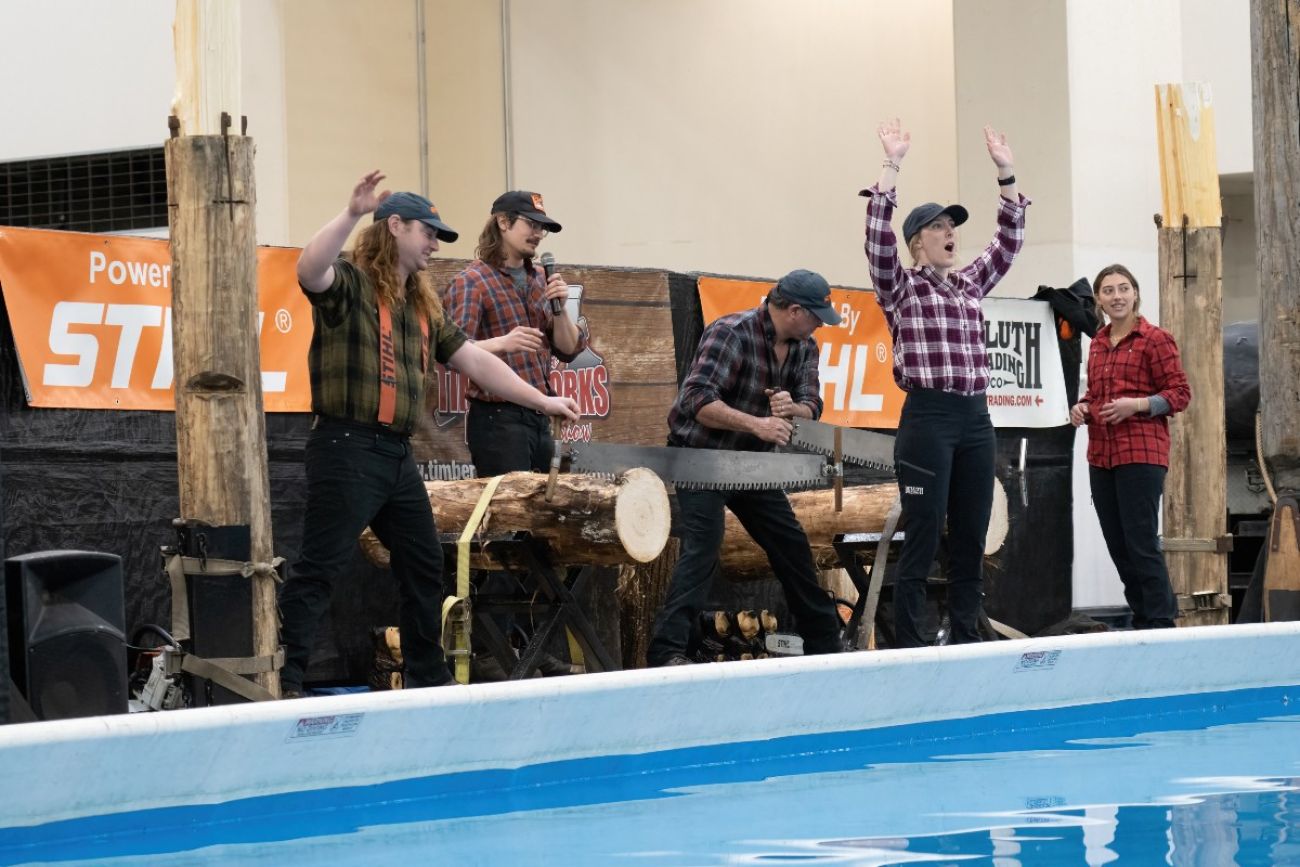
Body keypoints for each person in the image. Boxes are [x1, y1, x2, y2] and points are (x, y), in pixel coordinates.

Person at [278, 172, 578, 696]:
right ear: (394, 226)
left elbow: (475, 363)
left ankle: (428, 678)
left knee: (423, 563)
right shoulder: (350, 282)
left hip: (394, 454)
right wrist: (350, 213)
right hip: (345, 446)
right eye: (428, 233)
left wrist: (544, 399)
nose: (435, 244)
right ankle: (285, 679)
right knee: (320, 567)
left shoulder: (422, 302)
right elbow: (309, 268)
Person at [861, 119, 1029, 648]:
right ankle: (908, 645)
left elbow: (1008, 240)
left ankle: (964, 637)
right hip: (928, 418)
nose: (950, 232)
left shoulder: (969, 281)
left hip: (975, 417)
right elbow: (875, 241)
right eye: (938, 227)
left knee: (972, 535)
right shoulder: (901, 286)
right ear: (917, 242)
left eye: (952, 226)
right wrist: (892, 165)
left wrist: (1005, 172)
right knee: (924, 533)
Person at [645, 270, 846, 667]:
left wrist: (795, 410)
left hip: (751, 466)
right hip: (700, 457)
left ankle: (827, 646)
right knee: (704, 546)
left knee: (790, 544)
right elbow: (697, 401)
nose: (820, 324)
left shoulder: (806, 346)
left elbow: (812, 405)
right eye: (816, 316)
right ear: (792, 310)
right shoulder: (731, 333)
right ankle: (666, 652)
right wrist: (757, 424)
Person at [1070, 264, 1190, 629]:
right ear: (1099, 301)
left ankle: (1160, 622)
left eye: (1124, 288)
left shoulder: (1155, 339)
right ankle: (1143, 617)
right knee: (1119, 546)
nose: (1117, 296)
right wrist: (1083, 408)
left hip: (1141, 452)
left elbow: (1180, 394)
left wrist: (1136, 405)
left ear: (1136, 293)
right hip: (1102, 456)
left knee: (1140, 543)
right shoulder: (1099, 343)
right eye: (1109, 290)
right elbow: (1097, 396)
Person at [445, 191, 587, 477]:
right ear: (503, 222)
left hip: (540, 415)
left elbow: (569, 349)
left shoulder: (540, 278)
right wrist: (502, 343)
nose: (537, 234)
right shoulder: (472, 281)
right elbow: (449, 354)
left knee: (547, 514)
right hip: (498, 419)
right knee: (510, 516)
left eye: (542, 228)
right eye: (531, 224)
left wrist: (560, 309)